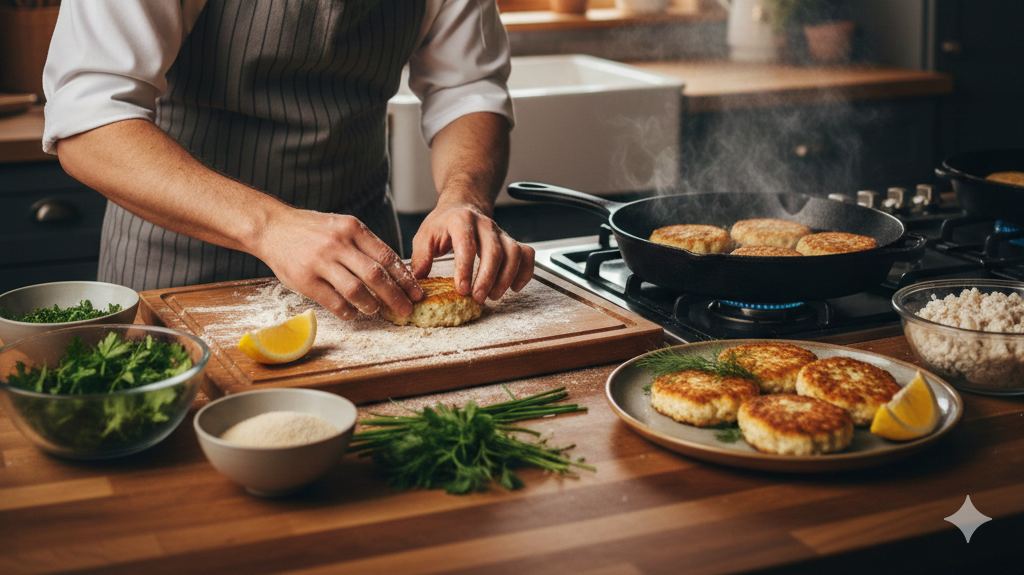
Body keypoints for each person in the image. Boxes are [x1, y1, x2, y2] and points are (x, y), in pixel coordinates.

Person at [42, 0, 534, 321]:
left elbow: (467, 88)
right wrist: (272, 227)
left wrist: (462, 196)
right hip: (177, 269)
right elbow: (89, 122)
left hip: (365, 273)